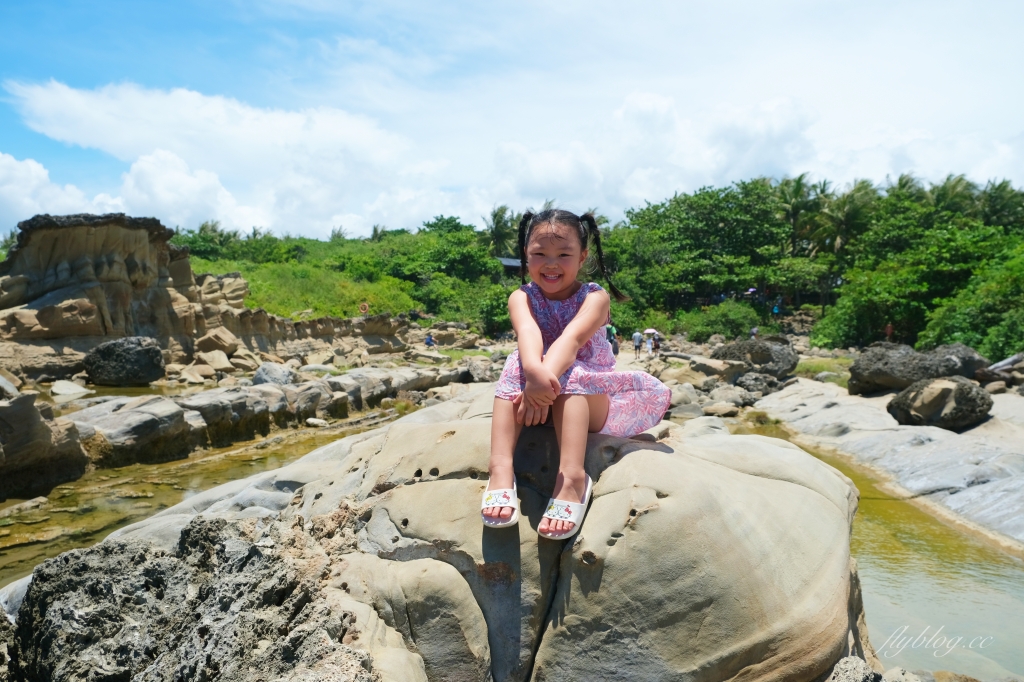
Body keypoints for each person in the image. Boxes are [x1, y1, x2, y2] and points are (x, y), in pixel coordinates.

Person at [482, 209, 671, 538]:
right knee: (518, 361)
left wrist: (542, 384)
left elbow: (570, 342)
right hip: (536, 397)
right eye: (540, 254)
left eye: (563, 254)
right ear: (526, 256)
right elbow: (528, 334)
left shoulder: (595, 298)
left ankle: (571, 477)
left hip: (590, 402)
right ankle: (500, 468)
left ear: (582, 256)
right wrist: (533, 378)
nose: (551, 263)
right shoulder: (521, 297)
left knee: (571, 372)